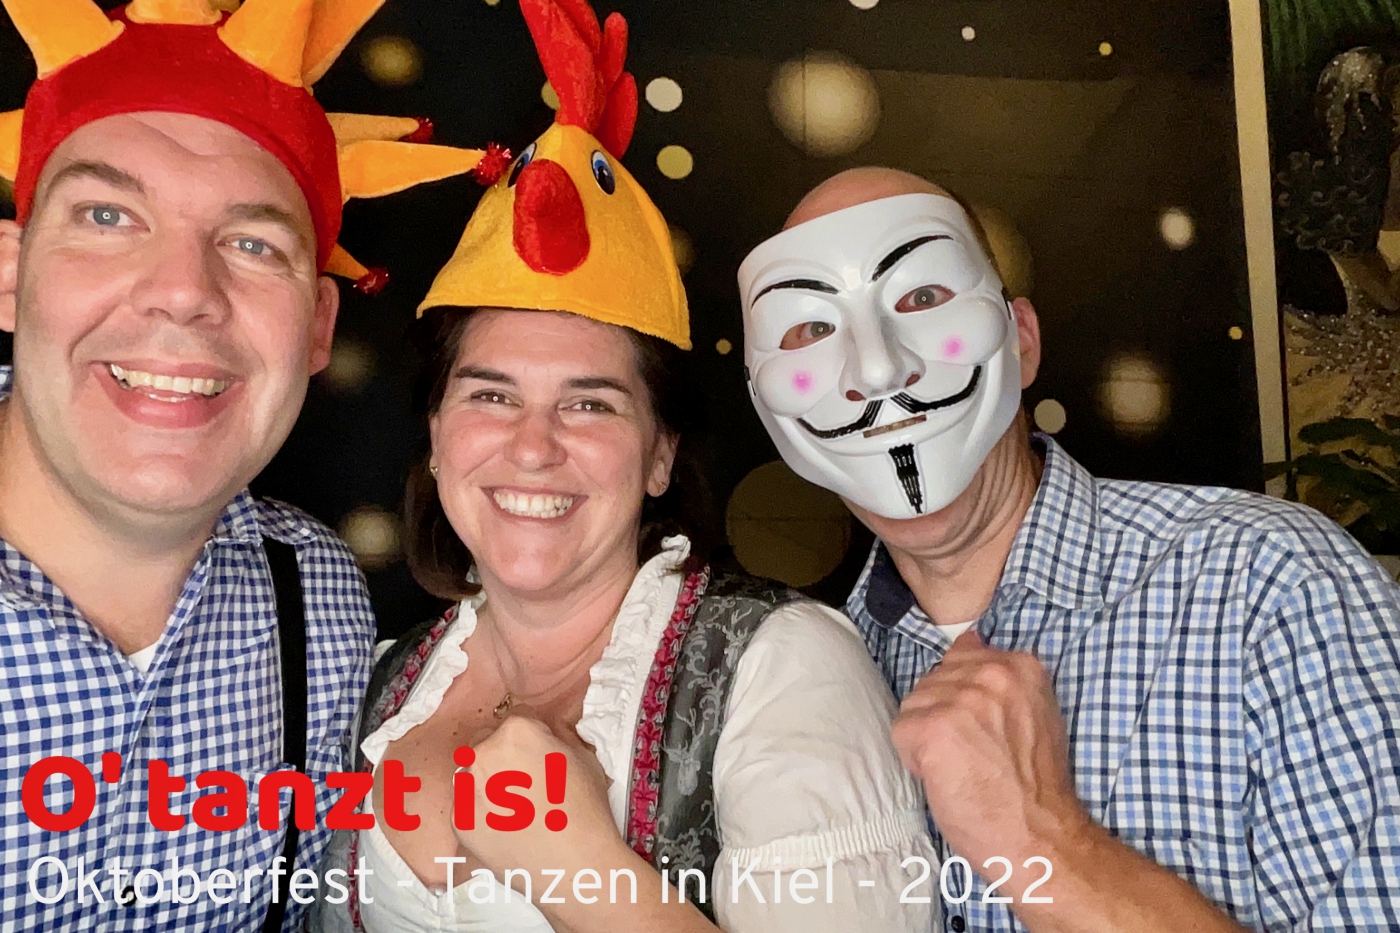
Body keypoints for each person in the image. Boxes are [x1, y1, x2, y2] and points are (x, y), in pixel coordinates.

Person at [308, 3, 933, 931]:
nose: (533, 445)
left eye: (590, 403)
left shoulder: (785, 668)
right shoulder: (375, 680)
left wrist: (584, 872)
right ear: (436, 436)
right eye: (491, 395)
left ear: (660, 454)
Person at [738, 166, 1400, 931]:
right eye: (812, 330)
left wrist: (1045, 845)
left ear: (1021, 341)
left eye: (921, 297)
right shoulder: (815, 682)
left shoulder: (1272, 585)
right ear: (766, 402)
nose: (879, 369)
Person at [0, 0, 491, 929]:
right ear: (11, 276)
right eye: (108, 215)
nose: (185, 291)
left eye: (253, 244)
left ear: (317, 327)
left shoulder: (319, 596)